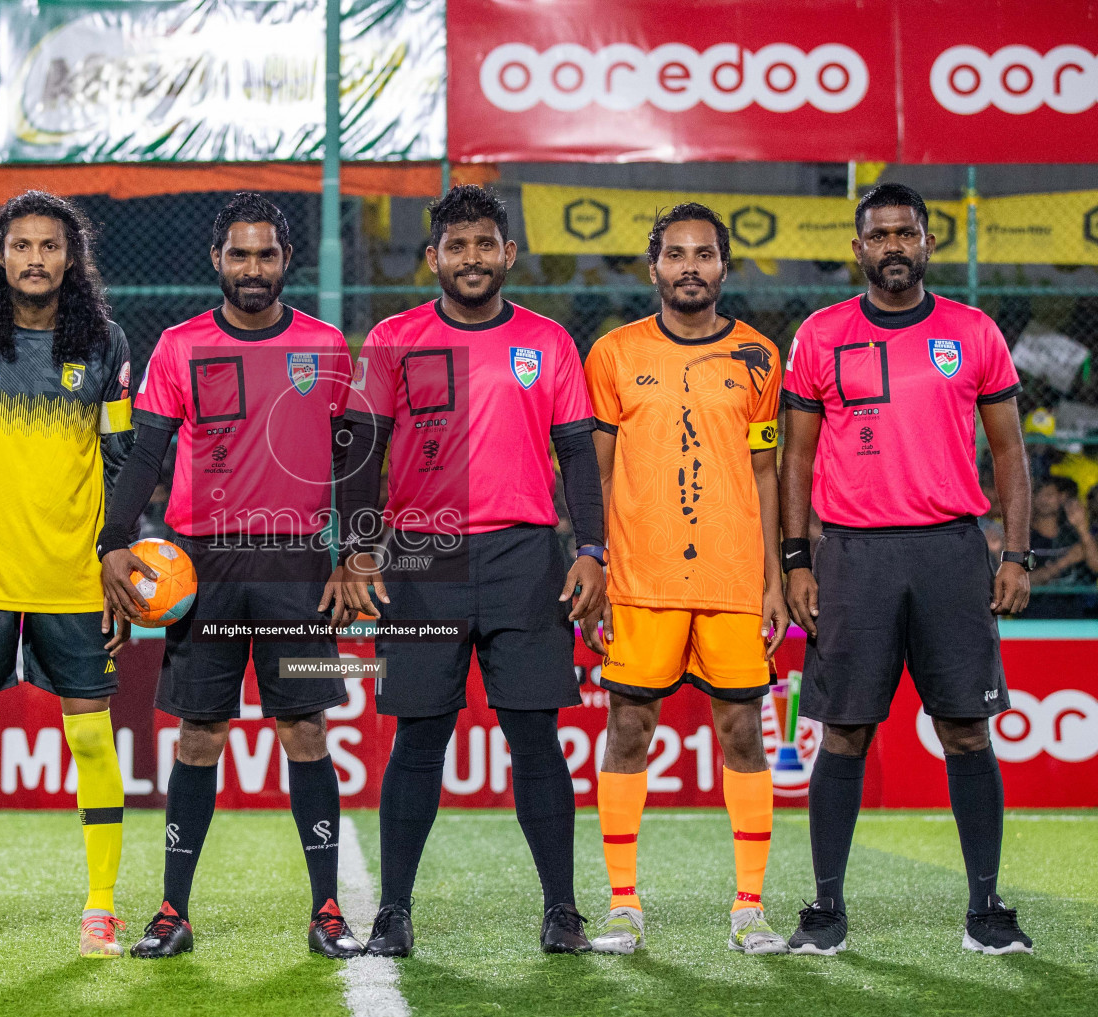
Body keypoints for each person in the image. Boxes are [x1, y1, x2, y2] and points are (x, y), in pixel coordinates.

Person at [339, 185, 606, 956]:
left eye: (485, 244)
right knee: (419, 739)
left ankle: (562, 910)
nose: (472, 258)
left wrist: (590, 551)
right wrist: (356, 548)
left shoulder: (549, 342)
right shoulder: (394, 338)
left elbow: (579, 458)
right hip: (424, 557)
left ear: (508, 254)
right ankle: (393, 910)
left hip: (526, 554)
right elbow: (361, 450)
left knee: (535, 738)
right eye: (456, 247)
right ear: (433, 258)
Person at [99, 193, 362, 960]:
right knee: (200, 736)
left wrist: (356, 550)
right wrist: (114, 542)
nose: (253, 268)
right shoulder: (179, 346)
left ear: (287, 260)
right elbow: (145, 453)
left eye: (267, 254)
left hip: (297, 564)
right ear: (216, 260)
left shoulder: (327, 345)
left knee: (305, 729)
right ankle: (172, 912)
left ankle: (327, 910)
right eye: (239, 255)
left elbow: (357, 459)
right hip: (200, 565)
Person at [781, 183, 1034, 955]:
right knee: (845, 735)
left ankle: (986, 912)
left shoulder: (973, 331)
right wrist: (795, 560)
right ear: (858, 248)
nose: (894, 245)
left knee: (965, 729)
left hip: (951, 551)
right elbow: (793, 459)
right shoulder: (821, 335)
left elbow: (1012, 455)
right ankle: (825, 914)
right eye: (880, 234)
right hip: (852, 555)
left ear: (928, 244)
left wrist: (1016, 553)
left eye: (907, 233)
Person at [0, 191, 134, 959]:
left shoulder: (105, 344)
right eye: (21, 246)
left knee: (95, 745)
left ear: (71, 258)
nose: (35, 258)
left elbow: (120, 460)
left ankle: (101, 909)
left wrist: (116, 560)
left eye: (50, 246)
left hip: (75, 577)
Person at [582, 203, 788, 956]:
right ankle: (623, 906)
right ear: (654, 267)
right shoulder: (611, 353)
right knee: (628, 728)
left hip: (734, 577)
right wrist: (596, 563)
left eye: (705, 254)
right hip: (641, 576)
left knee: (743, 732)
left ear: (724, 267)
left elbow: (766, 472)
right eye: (676, 254)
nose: (690, 266)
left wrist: (773, 576)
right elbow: (596, 475)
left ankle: (749, 907)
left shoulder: (760, 355)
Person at [1024, 476, 1098, 618]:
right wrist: (1065, 562)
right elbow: (1023, 580)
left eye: (1049, 495)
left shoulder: (1075, 536)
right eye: (1039, 494)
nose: (1043, 500)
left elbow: (1096, 565)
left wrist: (1082, 527)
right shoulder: (1024, 537)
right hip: (1033, 616)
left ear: (1062, 498)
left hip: (1076, 617)